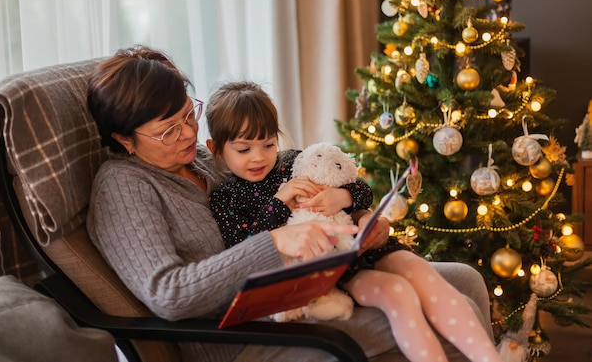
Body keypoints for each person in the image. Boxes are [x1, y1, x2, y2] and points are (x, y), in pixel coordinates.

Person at [86, 45, 494, 362]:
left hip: (302, 287)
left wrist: (357, 207)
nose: (186, 134)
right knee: (431, 310)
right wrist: (277, 241)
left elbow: (292, 165)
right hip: (242, 335)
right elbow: (168, 294)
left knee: (465, 279)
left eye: (188, 116)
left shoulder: (202, 158)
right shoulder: (123, 186)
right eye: (167, 131)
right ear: (125, 139)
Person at [205, 81, 503, 362]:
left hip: (365, 247)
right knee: (398, 296)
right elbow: (247, 251)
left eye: (268, 145)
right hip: (329, 272)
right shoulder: (226, 197)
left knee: (421, 274)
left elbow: (361, 189)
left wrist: (343, 198)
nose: (259, 158)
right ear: (216, 149)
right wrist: (279, 202)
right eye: (244, 149)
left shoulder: (295, 161)